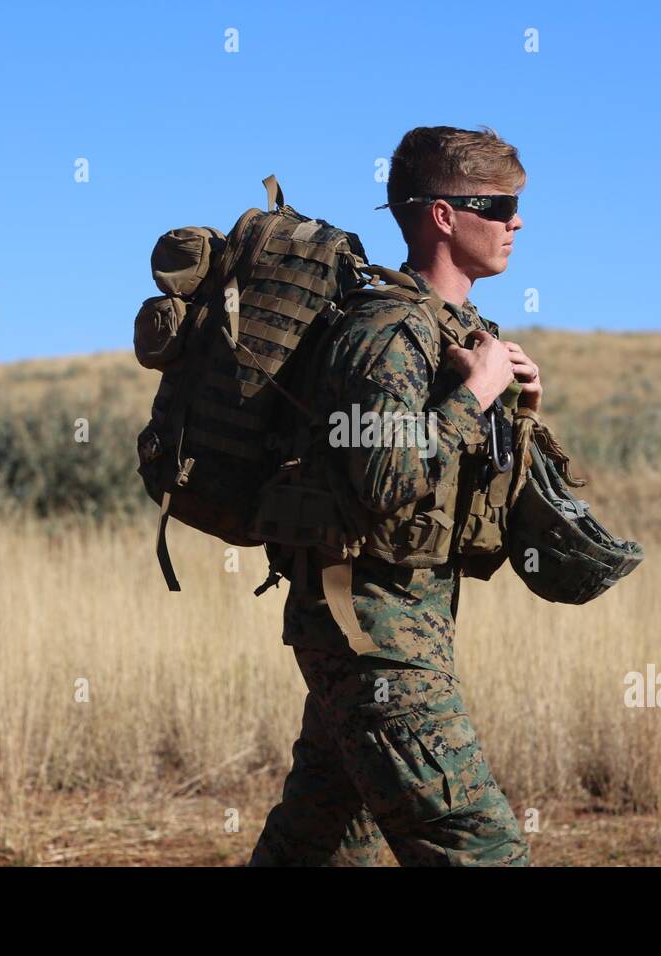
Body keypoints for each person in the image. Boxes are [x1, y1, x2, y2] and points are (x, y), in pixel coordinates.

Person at [248, 126, 542, 866]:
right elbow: (385, 475)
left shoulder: (455, 331)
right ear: (444, 215)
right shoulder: (387, 330)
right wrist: (476, 395)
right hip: (374, 635)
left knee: (317, 846)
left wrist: (520, 408)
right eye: (498, 205)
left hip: (395, 628)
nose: (516, 221)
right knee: (479, 848)